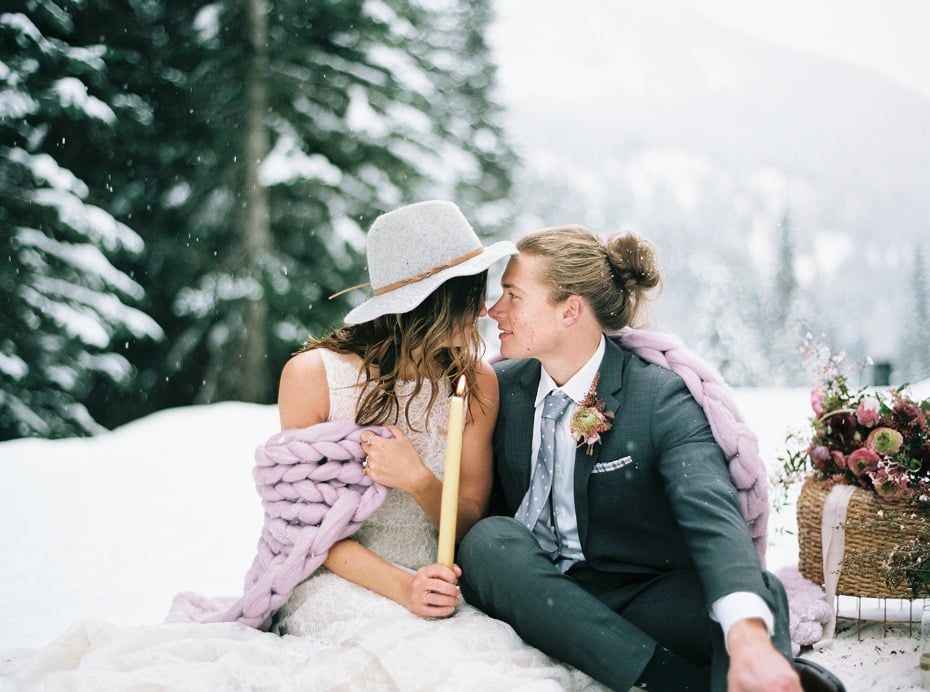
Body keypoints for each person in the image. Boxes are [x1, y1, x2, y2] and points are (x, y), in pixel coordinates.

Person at [0, 203, 603, 690]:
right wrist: (399, 589)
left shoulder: (474, 380)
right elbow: (306, 534)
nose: (485, 307)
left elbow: (468, 513)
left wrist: (417, 479)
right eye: (472, 290)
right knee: (402, 665)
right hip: (336, 579)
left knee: (484, 667)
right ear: (432, 300)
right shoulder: (315, 377)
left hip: (437, 578)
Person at [458, 225, 846, 692]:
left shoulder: (660, 398)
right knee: (487, 542)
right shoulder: (502, 390)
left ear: (571, 310)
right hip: (540, 591)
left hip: (643, 594)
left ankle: (750, 672)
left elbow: (712, 515)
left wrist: (745, 636)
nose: (492, 310)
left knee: (756, 597)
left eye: (512, 295)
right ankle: (674, 683)